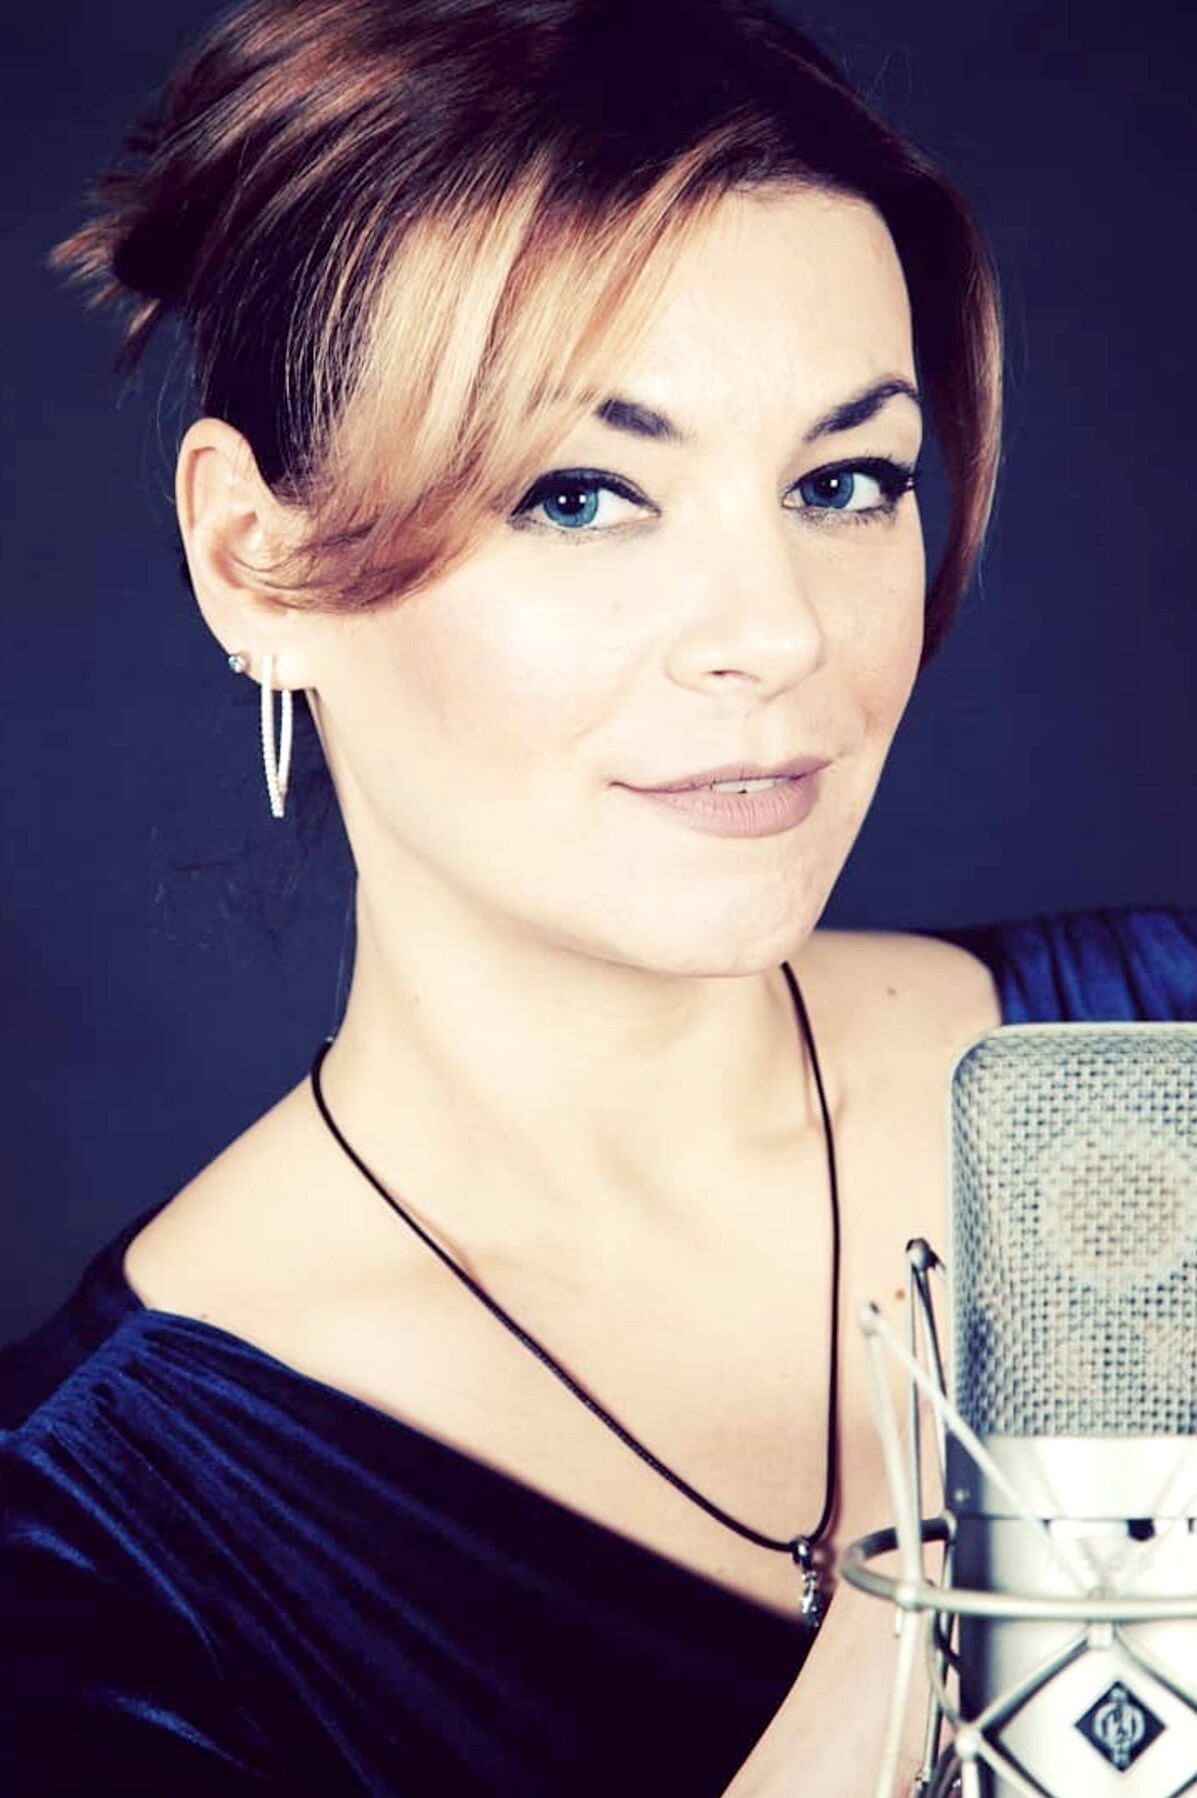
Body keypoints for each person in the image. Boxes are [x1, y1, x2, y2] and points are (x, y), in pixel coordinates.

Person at [2, 1, 1194, 1793]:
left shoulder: (1164, 1042)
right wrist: (936, 1603)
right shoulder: (93, 1563)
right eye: (578, 496)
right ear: (255, 560)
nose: (775, 632)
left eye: (843, 482)